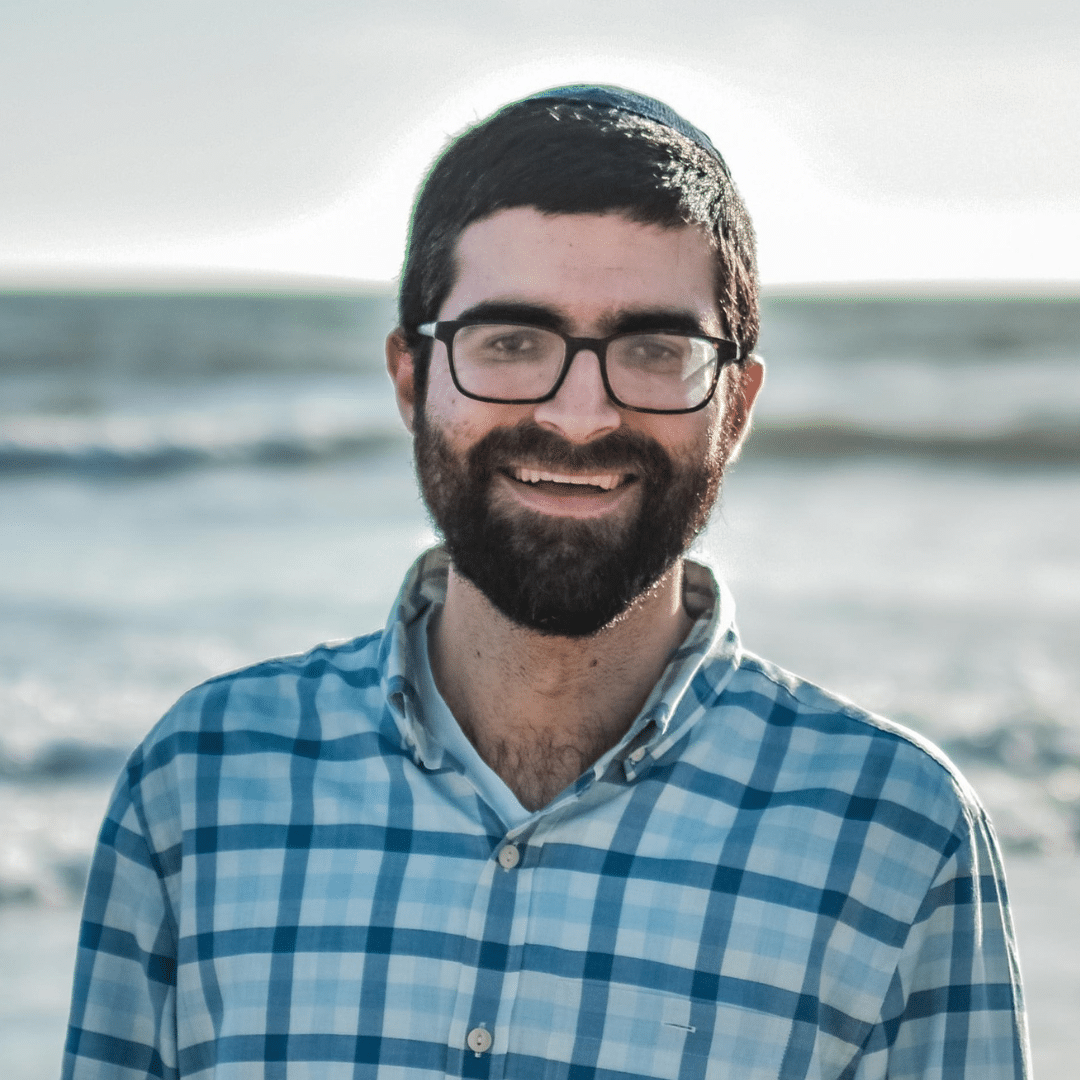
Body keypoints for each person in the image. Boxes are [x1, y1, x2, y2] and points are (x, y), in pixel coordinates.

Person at [63, 86, 1029, 1080]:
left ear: (734, 404)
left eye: (655, 349)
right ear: (410, 379)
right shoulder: (204, 781)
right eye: (511, 343)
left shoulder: (896, 831)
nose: (577, 415)